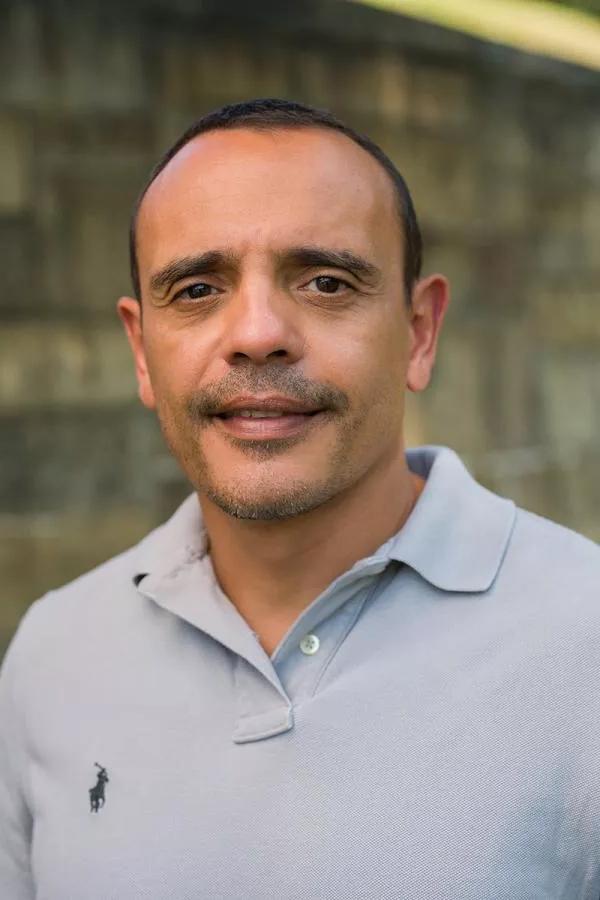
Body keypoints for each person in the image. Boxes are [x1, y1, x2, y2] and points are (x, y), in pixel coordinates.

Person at [1, 98, 599, 900]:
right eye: (197, 289)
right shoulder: (53, 653)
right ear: (141, 352)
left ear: (418, 333)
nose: (257, 332)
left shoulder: (583, 639)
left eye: (325, 281)